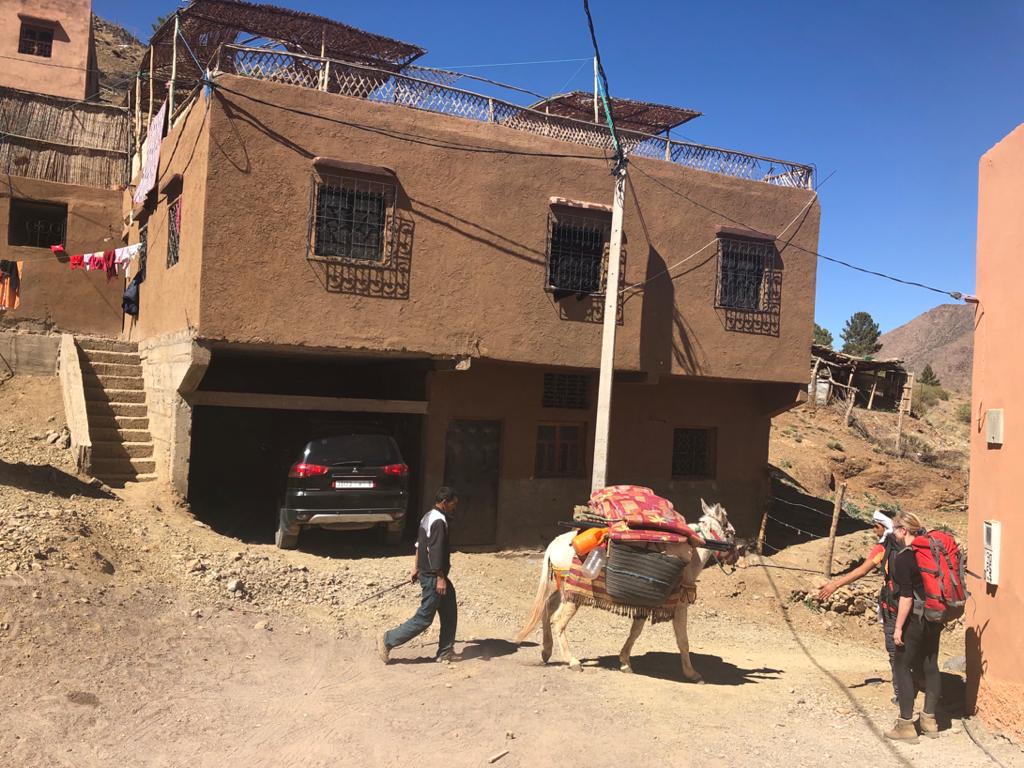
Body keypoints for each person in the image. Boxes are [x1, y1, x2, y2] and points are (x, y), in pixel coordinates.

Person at [818, 510, 901, 701]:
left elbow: (862, 570)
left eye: (876, 526)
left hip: (894, 603)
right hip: (915, 601)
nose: (874, 530)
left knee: (894, 647)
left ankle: (901, 693)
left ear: (885, 526)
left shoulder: (883, 548)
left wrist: (835, 584)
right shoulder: (909, 543)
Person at [378, 487, 459, 664]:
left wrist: (415, 568)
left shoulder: (427, 516)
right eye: (453, 504)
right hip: (433, 576)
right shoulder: (439, 521)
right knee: (424, 618)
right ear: (445, 502)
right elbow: (435, 551)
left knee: (449, 610)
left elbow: (420, 545)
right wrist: (440, 577)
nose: (455, 508)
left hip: (427, 572)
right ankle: (388, 640)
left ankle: (445, 651)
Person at [885, 510, 942, 742]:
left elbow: (906, 597)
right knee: (931, 664)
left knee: (902, 666)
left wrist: (898, 628)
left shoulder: (905, 557)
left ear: (903, 530)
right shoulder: (932, 551)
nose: (894, 533)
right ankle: (930, 721)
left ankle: (906, 726)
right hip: (935, 616)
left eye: (895, 529)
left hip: (915, 619)